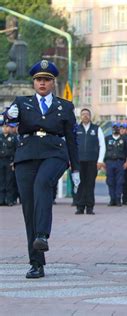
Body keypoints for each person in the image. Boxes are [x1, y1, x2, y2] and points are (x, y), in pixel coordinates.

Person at [3, 60, 80, 279]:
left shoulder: (64, 106)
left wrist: (76, 169)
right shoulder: (22, 102)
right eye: (38, 80)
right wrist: (9, 115)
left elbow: (72, 139)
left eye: (46, 79)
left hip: (54, 153)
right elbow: (10, 119)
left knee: (42, 184)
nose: (42, 83)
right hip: (26, 155)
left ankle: (42, 234)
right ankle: (36, 263)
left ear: (53, 83)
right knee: (29, 208)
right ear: (34, 83)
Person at [75, 108, 105, 215]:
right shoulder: (75, 129)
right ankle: (79, 206)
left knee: (90, 184)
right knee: (79, 184)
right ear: (80, 116)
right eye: (83, 114)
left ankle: (90, 207)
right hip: (78, 161)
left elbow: (102, 145)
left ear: (90, 116)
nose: (85, 116)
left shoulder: (97, 129)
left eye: (87, 114)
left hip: (92, 161)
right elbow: (71, 145)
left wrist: (100, 160)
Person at [104, 122, 127, 207]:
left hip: (120, 162)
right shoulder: (107, 139)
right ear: (112, 129)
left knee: (120, 182)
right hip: (109, 162)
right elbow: (103, 151)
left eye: (117, 128)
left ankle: (118, 199)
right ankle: (112, 199)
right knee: (110, 181)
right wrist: (103, 162)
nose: (116, 129)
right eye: (114, 127)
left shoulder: (124, 139)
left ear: (120, 129)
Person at [0, 122, 17, 206]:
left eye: (7, 127)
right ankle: (1, 200)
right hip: (1, 160)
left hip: (9, 161)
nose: (5, 128)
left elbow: (16, 151)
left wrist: (14, 162)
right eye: (4, 127)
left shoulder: (13, 138)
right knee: (1, 181)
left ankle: (9, 200)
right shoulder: (0, 137)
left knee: (9, 181)